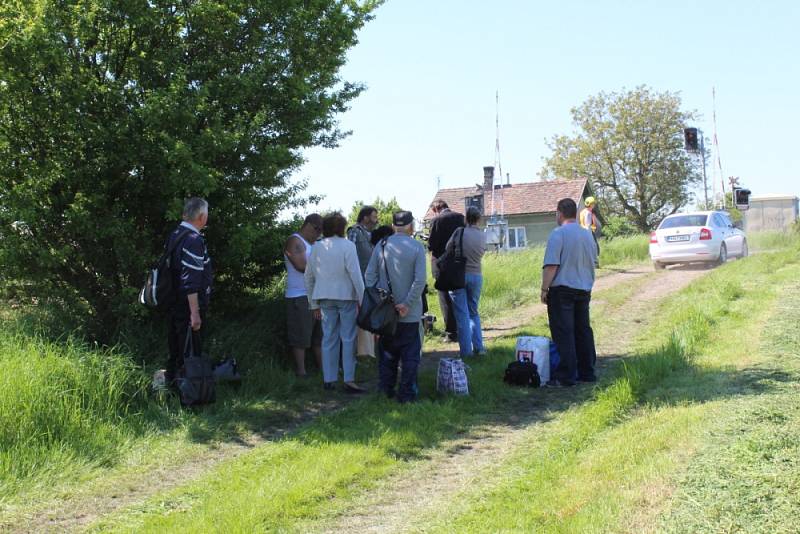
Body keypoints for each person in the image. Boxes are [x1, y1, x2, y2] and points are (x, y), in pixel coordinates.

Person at [366, 210, 427, 403]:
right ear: (411, 226)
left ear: (393, 226)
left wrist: (382, 302)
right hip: (410, 312)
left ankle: (385, 391)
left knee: (387, 354)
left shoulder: (381, 246)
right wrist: (406, 304)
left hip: (386, 313)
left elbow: (369, 279)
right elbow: (420, 281)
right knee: (410, 356)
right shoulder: (417, 247)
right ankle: (407, 395)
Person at [305, 212, 366, 393]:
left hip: (324, 297)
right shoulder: (348, 246)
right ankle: (348, 379)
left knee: (328, 337)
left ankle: (329, 379)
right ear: (342, 227)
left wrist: (313, 303)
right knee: (348, 338)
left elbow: (308, 276)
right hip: (346, 296)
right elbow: (355, 274)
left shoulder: (317, 247)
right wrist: (363, 300)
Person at [541, 198, 599, 387]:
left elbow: (551, 265)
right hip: (584, 288)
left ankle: (566, 375)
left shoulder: (558, 234)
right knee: (583, 331)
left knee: (564, 332)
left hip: (562, 289)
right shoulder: (587, 235)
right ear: (575, 213)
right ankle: (587, 371)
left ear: (559, 213)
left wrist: (544, 289)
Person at [165, 197, 214, 386]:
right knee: (190, 352)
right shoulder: (193, 240)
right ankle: (191, 395)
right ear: (202, 217)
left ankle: (172, 389)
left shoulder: (176, 234)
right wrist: (195, 313)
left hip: (174, 302)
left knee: (176, 349)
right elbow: (190, 281)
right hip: (187, 306)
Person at [284, 214, 323, 377]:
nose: (319, 234)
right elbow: (301, 266)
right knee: (300, 336)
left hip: (317, 295)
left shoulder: (315, 243)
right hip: (299, 296)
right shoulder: (294, 241)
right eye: (317, 230)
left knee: (319, 337)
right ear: (309, 225)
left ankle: (323, 369)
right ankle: (301, 372)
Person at [445, 206, 487, 357]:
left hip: (459, 276)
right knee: (474, 312)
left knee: (462, 315)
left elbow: (447, 248)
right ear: (478, 219)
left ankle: (466, 352)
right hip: (477, 275)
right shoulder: (483, 235)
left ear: (465, 218)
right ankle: (479, 347)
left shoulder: (459, 232)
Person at [428, 199, 465, 342]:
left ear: (436, 209)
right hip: (459, 262)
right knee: (461, 297)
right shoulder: (461, 218)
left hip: (442, 264)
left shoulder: (437, 220)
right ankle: (464, 329)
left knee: (445, 299)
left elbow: (432, 244)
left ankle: (451, 333)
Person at [347, 205, 379, 358]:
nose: (376, 219)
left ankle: (371, 351)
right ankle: (359, 352)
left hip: (372, 282)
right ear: (365, 217)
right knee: (360, 317)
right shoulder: (354, 231)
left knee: (372, 315)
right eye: (374, 216)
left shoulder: (372, 233)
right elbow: (349, 255)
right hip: (359, 282)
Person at [347, 205, 379, 275]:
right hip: (359, 276)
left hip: (372, 277)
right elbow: (349, 253)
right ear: (366, 218)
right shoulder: (354, 230)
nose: (377, 221)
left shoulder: (374, 233)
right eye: (374, 217)